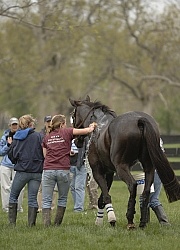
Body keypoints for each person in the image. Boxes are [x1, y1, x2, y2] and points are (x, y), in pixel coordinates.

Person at [41, 114, 96, 227]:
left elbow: (45, 155)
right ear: (61, 124)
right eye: (65, 123)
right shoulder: (67, 132)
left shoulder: (47, 137)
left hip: (48, 170)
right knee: (62, 198)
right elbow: (86, 131)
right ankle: (57, 224)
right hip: (63, 169)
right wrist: (92, 126)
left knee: (46, 200)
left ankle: (46, 225)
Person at [8, 114, 44, 226]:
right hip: (36, 171)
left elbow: (11, 154)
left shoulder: (17, 137)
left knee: (13, 196)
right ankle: (31, 225)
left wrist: (16, 162)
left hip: (22, 171)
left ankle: (12, 223)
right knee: (32, 198)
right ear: (30, 124)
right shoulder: (39, 136)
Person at [139, 138, 170, 225]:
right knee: (150, 198)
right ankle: (148, 222)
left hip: (154, 173)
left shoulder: (149, 140)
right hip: (157, 172)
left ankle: (162, 222)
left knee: (149, 199)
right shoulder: (156, 138)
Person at [0, 117, 24, 213]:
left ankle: (18, 208)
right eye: (13, 125)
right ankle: (6, 208)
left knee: (20, 187)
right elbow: (1, 152)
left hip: (18, 165)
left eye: (16, 124)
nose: (15, 126)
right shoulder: (5, 136)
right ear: (9, 126)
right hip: (6, 164)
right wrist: (8, 145)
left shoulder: (22, 136)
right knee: (5, 187)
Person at [38, 115, 57, 212]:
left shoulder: (55, 133)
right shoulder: (41, 134)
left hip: (53, 162)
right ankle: (41, 207)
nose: (49, 123)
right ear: (45, 123)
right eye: (48, 121)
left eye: (51, 121)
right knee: (42, 187)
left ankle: (52, 207)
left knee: (53, 187)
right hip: (42, 163)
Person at [70, 137, 88, 212]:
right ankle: (77, 205)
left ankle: (78, 208)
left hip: (81, 164)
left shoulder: (83, 139)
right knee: (72, 187)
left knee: (79, 187)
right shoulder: (69, 137)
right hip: (71, 164)